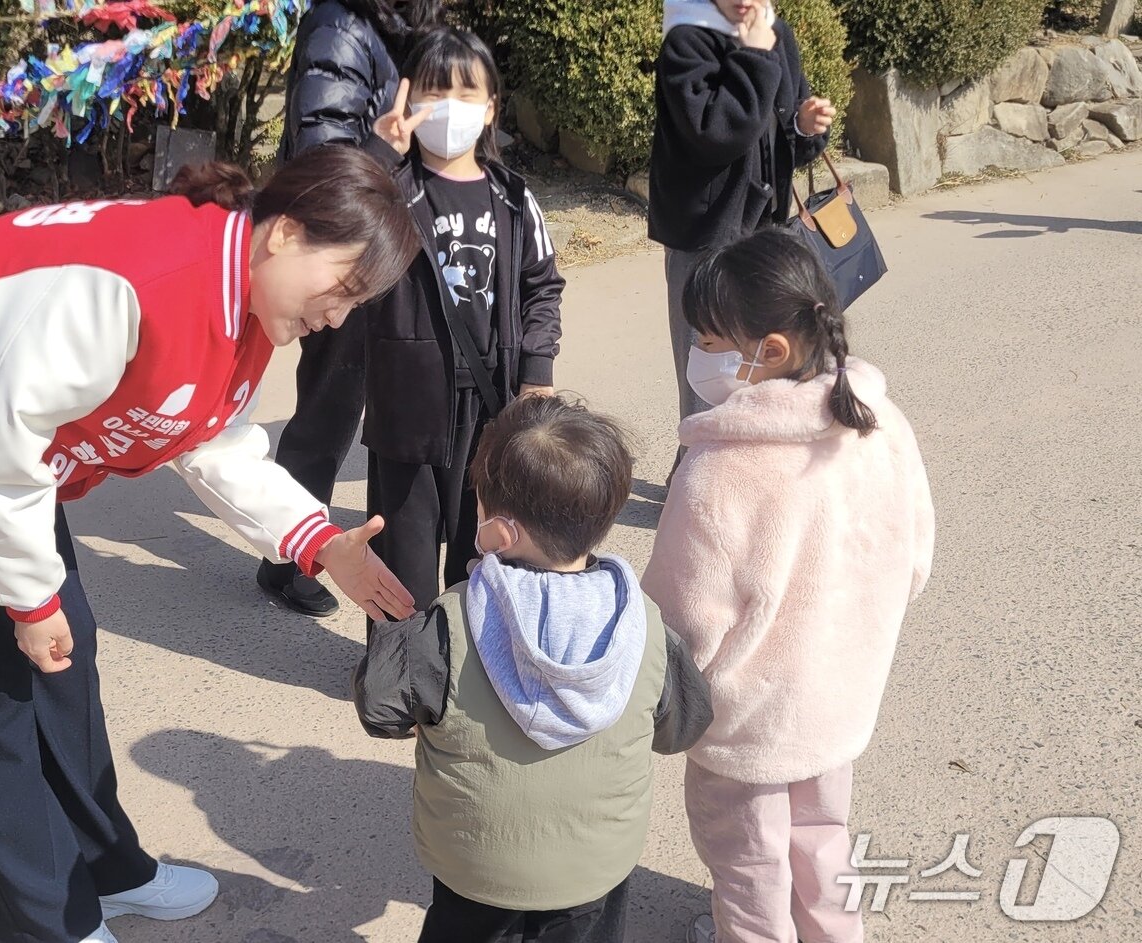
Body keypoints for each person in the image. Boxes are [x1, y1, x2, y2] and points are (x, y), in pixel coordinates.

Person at [0, 146, 420, 943]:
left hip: (14, 466)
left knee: (67, 657)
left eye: (355, 303)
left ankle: (107, 868)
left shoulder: (245, 303)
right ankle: (41, 924)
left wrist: (316, 538)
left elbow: (208, 437)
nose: (336, 317)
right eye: (340, 289)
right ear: (286, 233)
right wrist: (27, 598)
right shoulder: (132, 284)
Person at [641, 230, 935, 943]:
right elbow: (914, 558)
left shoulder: (722, 470)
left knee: (749, 863)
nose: (699, 350)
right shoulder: (880, 422)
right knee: (823, 836)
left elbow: (681, 620)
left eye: (710, 337)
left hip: (748, 722)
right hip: (839, 699)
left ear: (769, 349)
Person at [353, 394, 714, 943]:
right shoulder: (645, 627)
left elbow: (380, 708)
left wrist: (391, 628)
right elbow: (681, 728)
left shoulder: (447, 626)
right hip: (595, 871)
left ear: (499, 534)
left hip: (475, 870)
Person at [361, 26, 564, 612]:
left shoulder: (512, 197)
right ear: (407, 101)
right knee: (405, 559)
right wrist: (378, 154)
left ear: (491, 107)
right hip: (408, 406)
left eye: (465, 91)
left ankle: (468, 670)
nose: (449, 106)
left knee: (484, 554)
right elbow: (336, 233)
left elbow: (542, 283)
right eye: (433, 91)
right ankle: (399, 678)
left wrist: (536, 369)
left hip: (493, 405)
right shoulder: (388, 191)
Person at [260, 0, 446, 617]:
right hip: (341, 248)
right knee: (329, 408)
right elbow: (324, 157)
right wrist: (383, 148)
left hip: (384, 241)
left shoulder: (400, 32)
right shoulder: (340, 27)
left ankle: (301, 544)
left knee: (362, 402)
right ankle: (286, 558)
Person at [648, 0, 836, 465]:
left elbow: (781, 132)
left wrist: (804, 125)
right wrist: (753, 56)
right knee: (707, 363)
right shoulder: (687, 39)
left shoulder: (775, 33)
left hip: (764, 228)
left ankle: (762, 464)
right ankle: (697, 469)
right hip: (704, 231)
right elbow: (717, 132)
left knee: (769, 357)